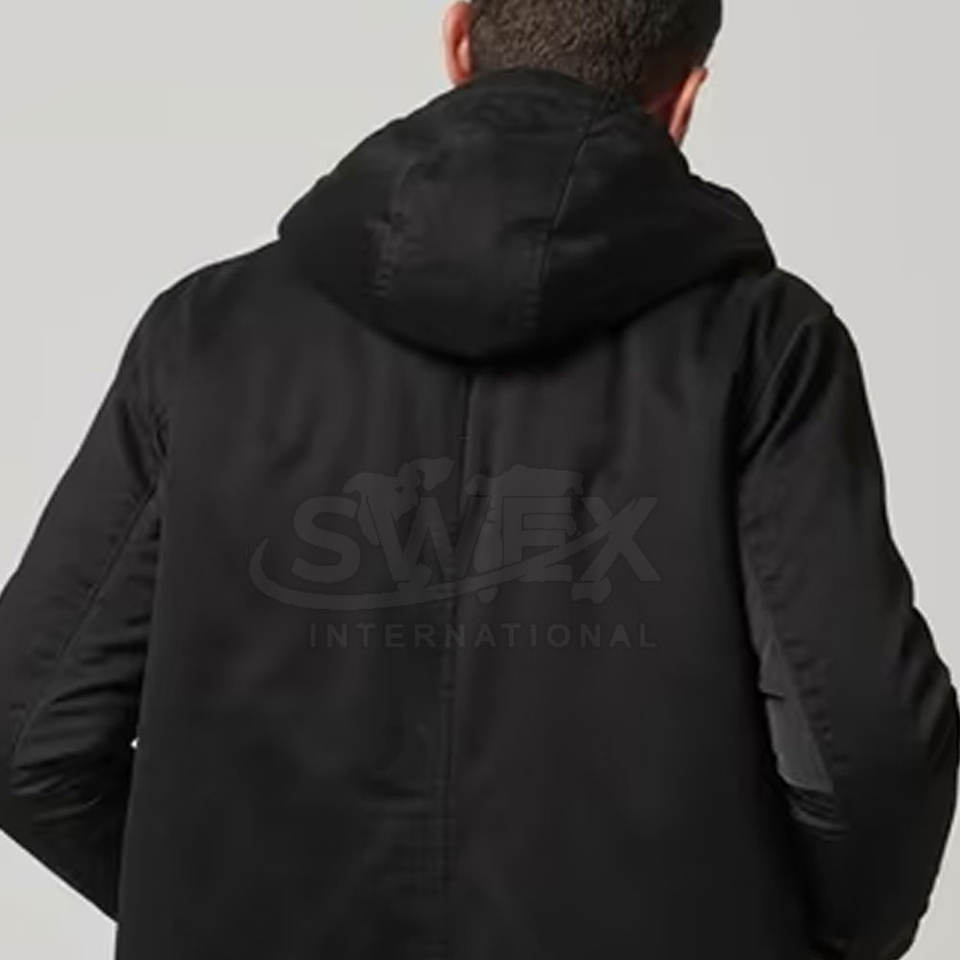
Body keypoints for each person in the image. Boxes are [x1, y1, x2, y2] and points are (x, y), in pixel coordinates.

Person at [1, 1, 956, 958]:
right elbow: (864, 751)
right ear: (684, 99)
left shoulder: (207, 334)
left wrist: (228, 917)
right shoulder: (764, 346)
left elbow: (24, 734)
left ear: (458, 37)